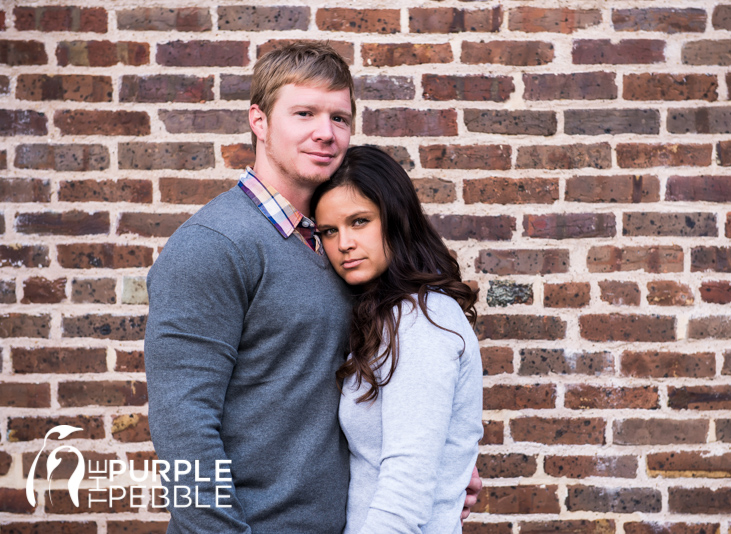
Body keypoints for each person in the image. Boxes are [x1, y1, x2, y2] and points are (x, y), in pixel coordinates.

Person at [144, 42, 480, 533]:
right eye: (304, 113)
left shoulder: (343, 247)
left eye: (339, 118)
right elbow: (184, 428)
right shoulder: (212, 246)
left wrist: (442, 467)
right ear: (259, 121)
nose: (325, 133)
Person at [311, 145, 483, 533]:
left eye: (359, 221)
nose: (343, 244)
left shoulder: (421, 320)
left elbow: (407, 481)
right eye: (329, 231)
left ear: (395, 217)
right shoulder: (387, 315)